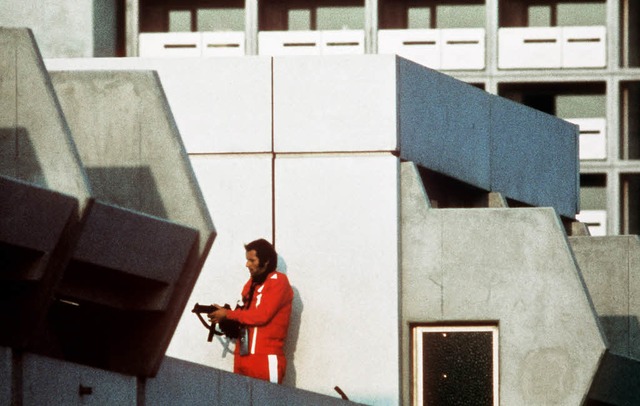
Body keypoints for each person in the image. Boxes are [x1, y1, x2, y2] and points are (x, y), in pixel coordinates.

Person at [209, 238, 293, 384]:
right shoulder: (252, 284)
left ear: (266, 261)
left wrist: (228, 314)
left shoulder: (278, 280)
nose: (247, 264)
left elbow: (262, 316)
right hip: (242, 357)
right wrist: (226, 319)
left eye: (252, 260)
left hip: (264, 360)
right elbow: (244, 314)